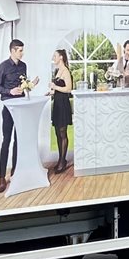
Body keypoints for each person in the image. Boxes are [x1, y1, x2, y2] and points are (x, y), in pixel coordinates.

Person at [0, 38, 28, 195]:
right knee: (6, 140)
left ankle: (15, 171)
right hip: (8, 107)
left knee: (18, 140)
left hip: (21, 106)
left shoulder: (23, 66)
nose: (22, 53)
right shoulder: (2, 67)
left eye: (22, 50)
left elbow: (23, 83)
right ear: (12, 51)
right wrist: (9, 91)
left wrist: (27, 86)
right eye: (20, 50)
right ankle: (2, 178)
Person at [49, 47, 74, 175]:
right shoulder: (57, 71)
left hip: (63, 104)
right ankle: (60, 159)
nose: (53, 58)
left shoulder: (65, 71)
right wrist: (51, 91)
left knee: (63, 132)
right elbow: (58, 89)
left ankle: (62, 161)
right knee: (57, 133)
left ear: (61, 57)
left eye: (55, 56)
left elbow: (68, 89)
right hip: (57, 104)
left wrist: (55, 86)